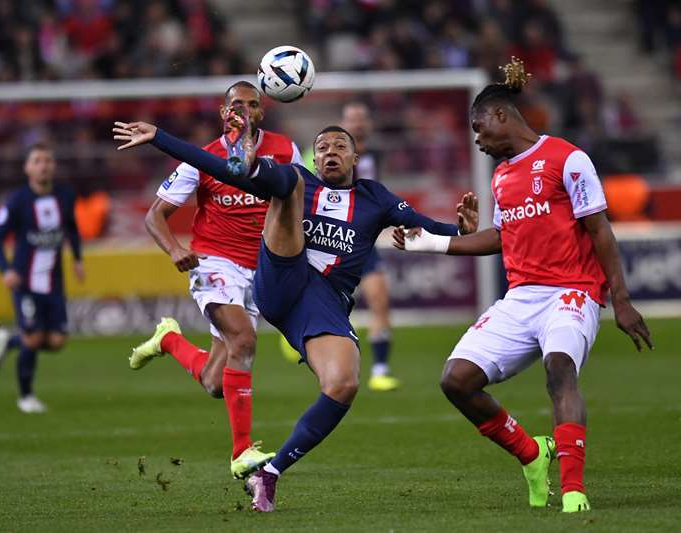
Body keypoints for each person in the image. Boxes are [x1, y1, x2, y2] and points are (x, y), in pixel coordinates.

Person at [112, 114, 478, 512]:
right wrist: (162, 138)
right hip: (281, 274)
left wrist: (461, 230)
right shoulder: (302, 179)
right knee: (287, 184)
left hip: (322, 301)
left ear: (356, 158)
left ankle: (269, 475)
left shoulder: (376, 197)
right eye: (322, 148)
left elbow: (423, 227)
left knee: (343, 384)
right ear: (314, 157)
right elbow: (219, 170)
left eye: (340, 147)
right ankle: (253, 166)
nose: (331, 153)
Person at [393, 59, 653, 513]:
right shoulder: (502, 176)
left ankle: (573, 491)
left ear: (500, 116)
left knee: (559, 368)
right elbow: (500, 236)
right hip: (521, 297)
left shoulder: (568, 159)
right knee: (456, 380)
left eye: (478, 128)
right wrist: (430, 243)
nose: (476, 140)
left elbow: (600, 230)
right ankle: (531, 455)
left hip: (572, 292)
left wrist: (622, 299)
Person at [128, 81, 302, 480]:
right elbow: (154, 216)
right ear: (224, 112)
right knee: (243, 340)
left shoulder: (285, 150)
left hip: (262, 268)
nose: (244, 109)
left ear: (261, 112)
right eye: (236, 104)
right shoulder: (202, 159)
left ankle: (168, 340)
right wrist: (174, 250)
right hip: (214, 263)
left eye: (252, 104)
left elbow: (300, 202)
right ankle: (242, 452)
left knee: (214, 383)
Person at [0, 143, 84, 413]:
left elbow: (72, 229)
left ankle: (9, 342)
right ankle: (26, 397)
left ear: (53, 166)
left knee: (56, 341)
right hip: (25, 281)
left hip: (54, 281)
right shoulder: (17, 200)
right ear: (27, 168)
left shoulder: (65, 195)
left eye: (48, 160)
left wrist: (77, 259)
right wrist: (5, 269)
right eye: (37, 161)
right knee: (33, 339)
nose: (43, 165)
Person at [340, 101, 398, 391]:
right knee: (330, 307)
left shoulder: (375, 155)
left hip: (363, 242)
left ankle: (380, 369)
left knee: (379, 299)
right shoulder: (329, 152)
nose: (358, 124)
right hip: (334, 240)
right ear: (344, 123)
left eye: (362, 118)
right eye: (353, 118)